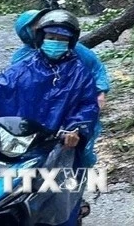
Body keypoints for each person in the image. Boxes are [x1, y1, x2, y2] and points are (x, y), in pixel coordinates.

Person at [0, 10, 99, 226]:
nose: (56, 42)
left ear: (71, 41)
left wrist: (76, 129)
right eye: (51, 37)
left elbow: (87, 106)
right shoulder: (22, 68)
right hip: (17, 141)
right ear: (40, 38)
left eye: (62, 39)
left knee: (62, 192)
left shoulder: (80, 74)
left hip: (55, 144)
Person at [12, 9, 109, 166]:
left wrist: (100, 92)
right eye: (34, 25)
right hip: (39, 111)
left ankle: (78, 178)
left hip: (74, 107)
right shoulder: (21, 59)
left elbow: (96, 67)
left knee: (79, 148)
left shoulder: (75, 52)